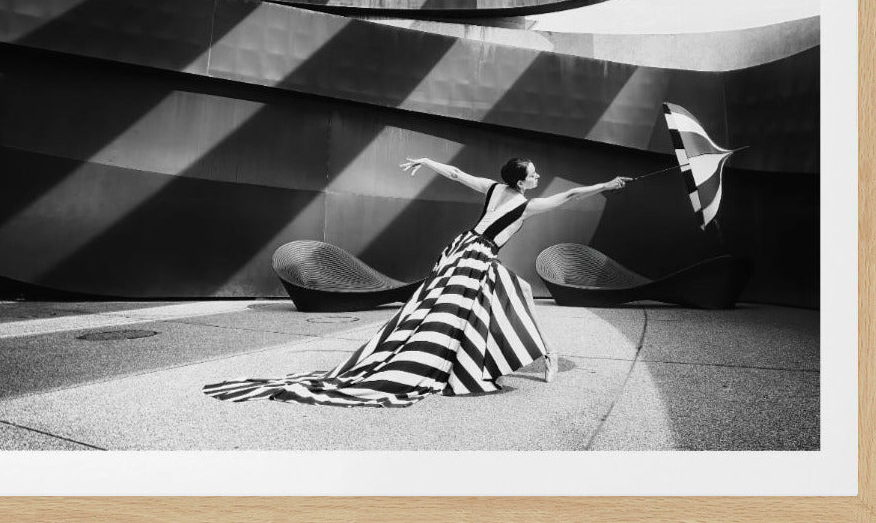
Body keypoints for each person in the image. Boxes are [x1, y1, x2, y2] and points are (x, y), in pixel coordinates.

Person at [203, 156, 630, 408]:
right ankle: (517, 358)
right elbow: (571, 196)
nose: (538, 177)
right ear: (521, 181)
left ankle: (536, 354)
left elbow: (459, 174)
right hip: (477, 257)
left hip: (463, 248)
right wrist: (607, 185)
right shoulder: (523, 204)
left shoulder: (495, 189)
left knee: (485, 304)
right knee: (480, 309)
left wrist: (427, 162)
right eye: (533, 174)